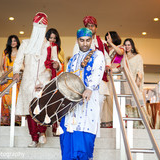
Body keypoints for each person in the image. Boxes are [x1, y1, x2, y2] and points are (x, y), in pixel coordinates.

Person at [13, 12, 61, 147]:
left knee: (42, 107)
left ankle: (42, 132)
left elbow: (57, 62)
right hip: (28, 82)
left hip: (44, 82)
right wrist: (16, 72)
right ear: (34, 27)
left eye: (42, 27)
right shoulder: (25, 43)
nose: (40, 30)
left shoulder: (51, 46)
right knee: (30, 112)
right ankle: (34, 138)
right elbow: (17, 61)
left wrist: (57, 65)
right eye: (37, 26)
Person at [60, 28, 105, 160]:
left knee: (85, 137)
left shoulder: (98, 55)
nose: (85, 43)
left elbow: (98, 72)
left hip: (88, 103)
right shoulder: (73, 60)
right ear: (77, 41)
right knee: (68, 135)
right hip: (72, 105)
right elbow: (65, 79)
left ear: (91, 40)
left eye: (87, 40)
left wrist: (90, 88)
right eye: (82, 40)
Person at [73, 16, 111, 133]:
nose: (90, 28)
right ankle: (84, 131)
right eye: (88, 26)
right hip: (84, 81)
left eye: (92, 26)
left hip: (100, 82)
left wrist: (108, 65)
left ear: (96, 27)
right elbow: (75, 59)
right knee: (83, 108)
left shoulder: (102, 43)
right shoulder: (79, 43)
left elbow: (106, 58)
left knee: (97, 106)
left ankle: (95, 133)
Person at [100, 31, 125, 128]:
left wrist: (111, 43)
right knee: (105, 99)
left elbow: (120, 53)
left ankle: (116, 121)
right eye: (106, 38)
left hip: (115, 77)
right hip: (106, 76)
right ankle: (106, 122)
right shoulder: (105, 49)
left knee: (112, 99)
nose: (107, 39)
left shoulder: (119, 48)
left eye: (109, 37)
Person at [45, 28, 65, 135]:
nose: (52, 40)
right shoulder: (42, 48)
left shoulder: (58, 49)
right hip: (43, 78)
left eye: (54, 38)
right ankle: (42, 129)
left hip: (54, 78)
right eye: (50, 38)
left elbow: (60, 64)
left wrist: (58, 66)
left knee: (54, 103)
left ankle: (55, 128)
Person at [0, 35, 21, 126]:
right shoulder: (5, 52)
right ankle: (5, 121)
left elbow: (24, 64)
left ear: (17, 42)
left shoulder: (20, 52)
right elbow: (1, 66)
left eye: (15, 41)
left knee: (16, 99)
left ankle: (16, 121)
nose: (13, 42)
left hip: (17, 78)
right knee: (5, 100)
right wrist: (5, 72)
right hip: (7, 78)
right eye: (11, 41)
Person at [122, 38, 144, 128]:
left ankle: (136, 123)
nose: (127, 47)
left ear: (132, 46)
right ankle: (126, 123)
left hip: (133, 82)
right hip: (123, 83)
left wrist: (137, 82)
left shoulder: (137, 57)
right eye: (125, 45)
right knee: (125, 103)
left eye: (129, 45)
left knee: (135, 101)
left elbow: (140, 70)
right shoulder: (123, 57)